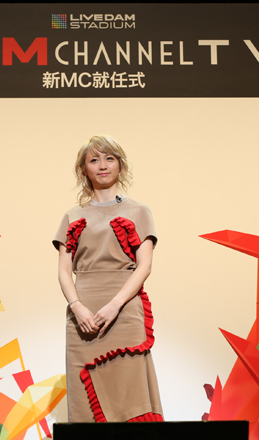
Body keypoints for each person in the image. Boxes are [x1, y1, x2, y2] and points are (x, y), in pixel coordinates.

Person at [53, 135, 164, 423]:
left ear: (120, 166)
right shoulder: (72, 215)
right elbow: (64, 271)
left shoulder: (139, 211)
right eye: (94, 160)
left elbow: (144, 266)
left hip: (124, 311)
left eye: (109, 158)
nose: (102, 165)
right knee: (84, 403)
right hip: (83, 317)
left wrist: (115, 305)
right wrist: (77, 307)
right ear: (84, 169)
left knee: (130, 392)